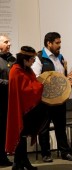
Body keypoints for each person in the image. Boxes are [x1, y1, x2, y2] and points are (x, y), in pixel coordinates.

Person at [31, 32, 72, 162]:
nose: (59, 46)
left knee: (60, 127)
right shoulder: (39, 58)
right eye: (57, 43)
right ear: (49, 43)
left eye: (60, 43)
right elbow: (35, 78)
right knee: (44, 128)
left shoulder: (60, 57)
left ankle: (65, 152)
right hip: (45, 100)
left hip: (59, 100)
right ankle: (46, 154)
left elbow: (62, 77)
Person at [6, 46, 46, 170]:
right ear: (25, 59)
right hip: (20, 109)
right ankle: (20, 163)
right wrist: (40, 87)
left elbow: (32, 83)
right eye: (32, 59)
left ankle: (20, 163)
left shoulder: (28, 70)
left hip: (29, 109)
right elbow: (24, 90)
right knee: (20, 135)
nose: (34, 61)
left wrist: (38, 86)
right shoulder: (15, 70)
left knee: (23, 136)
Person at [0, 35, 15, 166]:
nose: (9, 44)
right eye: (5, 42)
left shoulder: (12, 59)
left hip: (10, 101)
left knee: (5, 130)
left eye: (9, 41)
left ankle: (3, 157)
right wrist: (9, 83)